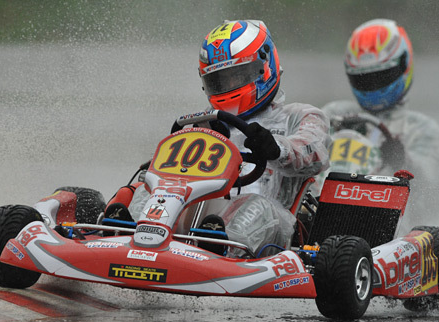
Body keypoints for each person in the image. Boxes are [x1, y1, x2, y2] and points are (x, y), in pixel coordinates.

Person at [109, 19, 331, 257]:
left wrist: (276, 149)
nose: (228, 86)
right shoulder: (207, 123)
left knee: (255, 207)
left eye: (236, 76)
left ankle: (220, 245)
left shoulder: (299, 116)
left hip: (271, 228)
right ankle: (127, 232)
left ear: (264, 67)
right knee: (154, 186)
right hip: (198, 217)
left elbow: (316, 152)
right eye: (219, 81)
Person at [322, 18, 439, 187]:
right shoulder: (333, 113)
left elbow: (429, 184)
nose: (373, 85)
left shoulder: (423, 129)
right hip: (320, 203)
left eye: (381, 76)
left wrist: (402, 160)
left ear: (404, 64)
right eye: (364, 79)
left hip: (393, 209)